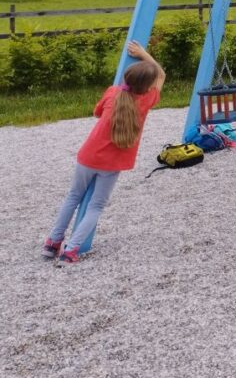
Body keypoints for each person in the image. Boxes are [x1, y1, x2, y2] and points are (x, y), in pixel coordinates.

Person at [42, 40, 166, 264]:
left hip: (89, 156)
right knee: (96, 206)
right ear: (147, 88)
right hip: (112, 164)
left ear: (126, 78)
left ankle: (52, 243)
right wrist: (144, 53)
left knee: (73, 197)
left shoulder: (113, 93)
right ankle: (71, 250)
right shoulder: (147, 100)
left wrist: (137, 56)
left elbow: (97, 113)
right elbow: (161, 74)